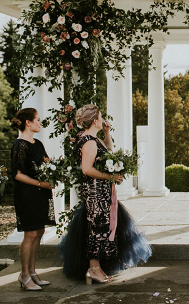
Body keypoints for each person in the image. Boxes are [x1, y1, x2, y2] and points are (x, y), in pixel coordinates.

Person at [58, 104, 151, 284]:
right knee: (97, 229)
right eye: (100, 117)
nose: (103, 120)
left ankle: (96, 267)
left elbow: (107, 151)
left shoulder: (93, 138)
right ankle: (93, 269)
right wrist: (111, 176)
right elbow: (86, 169)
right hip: (95, 192)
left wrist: (107, 132)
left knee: (101, 227)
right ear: (94, 120)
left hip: (101, 190)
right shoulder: (89, 141)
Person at [10, 108, 55, 291]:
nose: (40, 122)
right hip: (26, 194)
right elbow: (18, 174)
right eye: (38, 119)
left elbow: (47, 163)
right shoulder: (19, 144)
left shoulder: (38, 143)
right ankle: (24, 274)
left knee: (40, 231)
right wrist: (39, 183)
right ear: (28, 122)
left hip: (40, 194)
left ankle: (33, 271)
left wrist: (53, 171)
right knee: (30, 234)